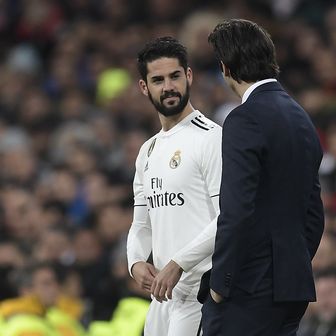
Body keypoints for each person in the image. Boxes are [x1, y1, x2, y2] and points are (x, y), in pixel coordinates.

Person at [198, 18, 324, 335]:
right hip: (292, 286)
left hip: (248, 289)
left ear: (225, 67)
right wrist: (291, 264)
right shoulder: (301, 117)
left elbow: (237, 210)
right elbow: (313, 213)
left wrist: (220, 284)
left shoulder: (244, 119)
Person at [126, 36, 222, 336]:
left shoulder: (211, 138)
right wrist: (136, 263)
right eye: (158, 79)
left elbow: (228, 216)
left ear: (188, 76)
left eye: (175, 76)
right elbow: (141, 224)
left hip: (198, 292)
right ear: (145, 87)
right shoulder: (148, 151)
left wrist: (178, 262)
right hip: (161, 295)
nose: (168, 86)